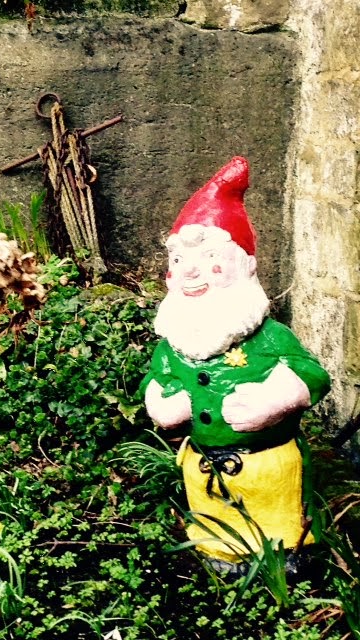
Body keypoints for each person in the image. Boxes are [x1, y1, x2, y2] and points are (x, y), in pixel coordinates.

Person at [140, 156, 330, 562]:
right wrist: (160, 401)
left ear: (246, 267)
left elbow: (312, 375)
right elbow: (157, 377)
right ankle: (218, 553)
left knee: (277, 528)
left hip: (269, 465)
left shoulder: (270, 337)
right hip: (204, 467)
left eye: (209, 259)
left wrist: (277, 400)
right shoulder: (174, 342)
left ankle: (286, 560)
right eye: (178, 261)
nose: (190, 273)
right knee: (214, 525)